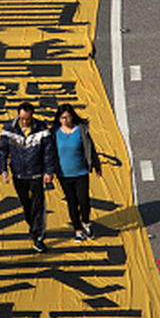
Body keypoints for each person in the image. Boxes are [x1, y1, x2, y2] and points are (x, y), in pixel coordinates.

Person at [0, 102, 56, 253]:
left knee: (38, 206)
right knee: (26, 205)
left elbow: (48, 152)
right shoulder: (9, 128)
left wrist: (49, 171)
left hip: (36, 174)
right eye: (22, 118)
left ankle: (38, 237)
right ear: (18, 115)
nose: (24, 121)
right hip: (18, 174)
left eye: (27, 119)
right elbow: (2, 151)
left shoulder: (41, 128)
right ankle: (33, 227)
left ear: (32, 116)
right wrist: (3, 170)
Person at [50, 103, 102, 243]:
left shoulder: (81, 130)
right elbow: (49, 153)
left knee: (84, 201)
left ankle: (86, 222)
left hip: (81, 172)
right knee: (72, 203)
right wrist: (49, 170)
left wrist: (96, 165)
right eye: (62, 118)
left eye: (67, 117)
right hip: (63, 174)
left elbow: (90, 149)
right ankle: (78, 230)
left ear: (72, 116)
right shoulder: (54, 132)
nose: (65, 121)